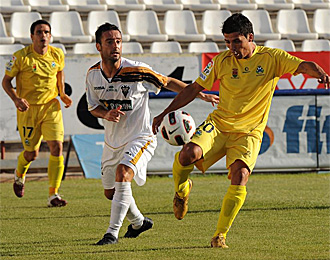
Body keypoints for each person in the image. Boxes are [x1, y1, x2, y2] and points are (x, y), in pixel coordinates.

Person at [152, 13, 330, 248]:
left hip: (249, 132)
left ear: (250, 37)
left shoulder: (272, 57)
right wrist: (165, 112)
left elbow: (303, 65)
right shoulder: (221, 61)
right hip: (219, 124)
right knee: (188, 155)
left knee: (241, 175)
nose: (231, 47)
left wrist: (319, 73)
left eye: (236, 41)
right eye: (227, 42)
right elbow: (194, 88)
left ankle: (219, 236)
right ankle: (182, 191)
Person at [85, 23, 218, 245]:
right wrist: (105, 114)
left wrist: (200, 95)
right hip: (112, 143)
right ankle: (138, 222)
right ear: (98, 46)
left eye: (118, 41)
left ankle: (111, 234)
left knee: (123, 173)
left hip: (141, 137)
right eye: (109, 41)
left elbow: (166, 82)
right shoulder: (92, 76)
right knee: (111, 193)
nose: (116, 46)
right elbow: (92, 107)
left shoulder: (137, 71)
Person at [2, 20, 72, 207]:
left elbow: (60, 72)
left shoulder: (57, 54)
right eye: (39, 32)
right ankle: (19, 175)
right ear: (31, 36)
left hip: (51, 107)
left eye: (46, 32)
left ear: (50, 36)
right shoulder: (21, 57)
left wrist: (62, 92)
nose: (43, 36)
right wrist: (16, 99)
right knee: (31, 154)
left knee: (57, 146)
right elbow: (6, 82)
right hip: (28, 110)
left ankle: (53, 194)